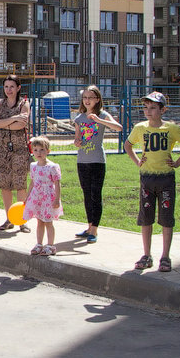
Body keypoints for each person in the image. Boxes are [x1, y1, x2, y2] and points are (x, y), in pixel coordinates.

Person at [125, 92, 180, 272]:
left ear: (163, 110)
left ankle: (165, 256)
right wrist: (137, 161)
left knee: (166, 218)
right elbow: (128, 145)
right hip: (147, 178)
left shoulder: (170, 128)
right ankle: (146, 254)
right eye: (146, 107)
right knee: (145, 218)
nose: (148, 111)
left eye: (153, 107)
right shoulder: (140, 128)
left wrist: (178, 162)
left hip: (166, 179)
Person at [72, 86, 121, 243]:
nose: (87, 100)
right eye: (85, 97)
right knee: (87, 195)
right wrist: (77, 142)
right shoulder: (79, 118)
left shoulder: (103, 115)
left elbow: (119, 128)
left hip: (97, 161)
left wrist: (100, 120)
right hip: (82, 161)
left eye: (91, 97)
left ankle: (95, 230)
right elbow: (77, 139)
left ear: (97, 99)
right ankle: (89, 226)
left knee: (95, 195)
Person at [0, 75, 31, 232]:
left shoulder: (24, 103)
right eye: (6, 86)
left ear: (18, 88)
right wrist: (13, 118)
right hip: (2, 148)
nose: (9, 90)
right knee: (4, 183)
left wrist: (4, 123)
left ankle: (21, 220)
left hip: (19, 148)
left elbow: (21, 125)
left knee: (20, 183)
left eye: (12, 86)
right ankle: (9, 218)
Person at [23, 136, 63, 256]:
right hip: (37, 198)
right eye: (35, 150)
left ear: (48, 151)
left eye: (42, 150)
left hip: (48, 198)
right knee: (39, 221)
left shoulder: (52, 167)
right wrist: (28, 197)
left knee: (48, 221)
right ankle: (39, 243)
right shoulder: (34, 166)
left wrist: (56, 199)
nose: (38, 153)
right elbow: (32, 182)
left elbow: (57, 184)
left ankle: (50, 245)